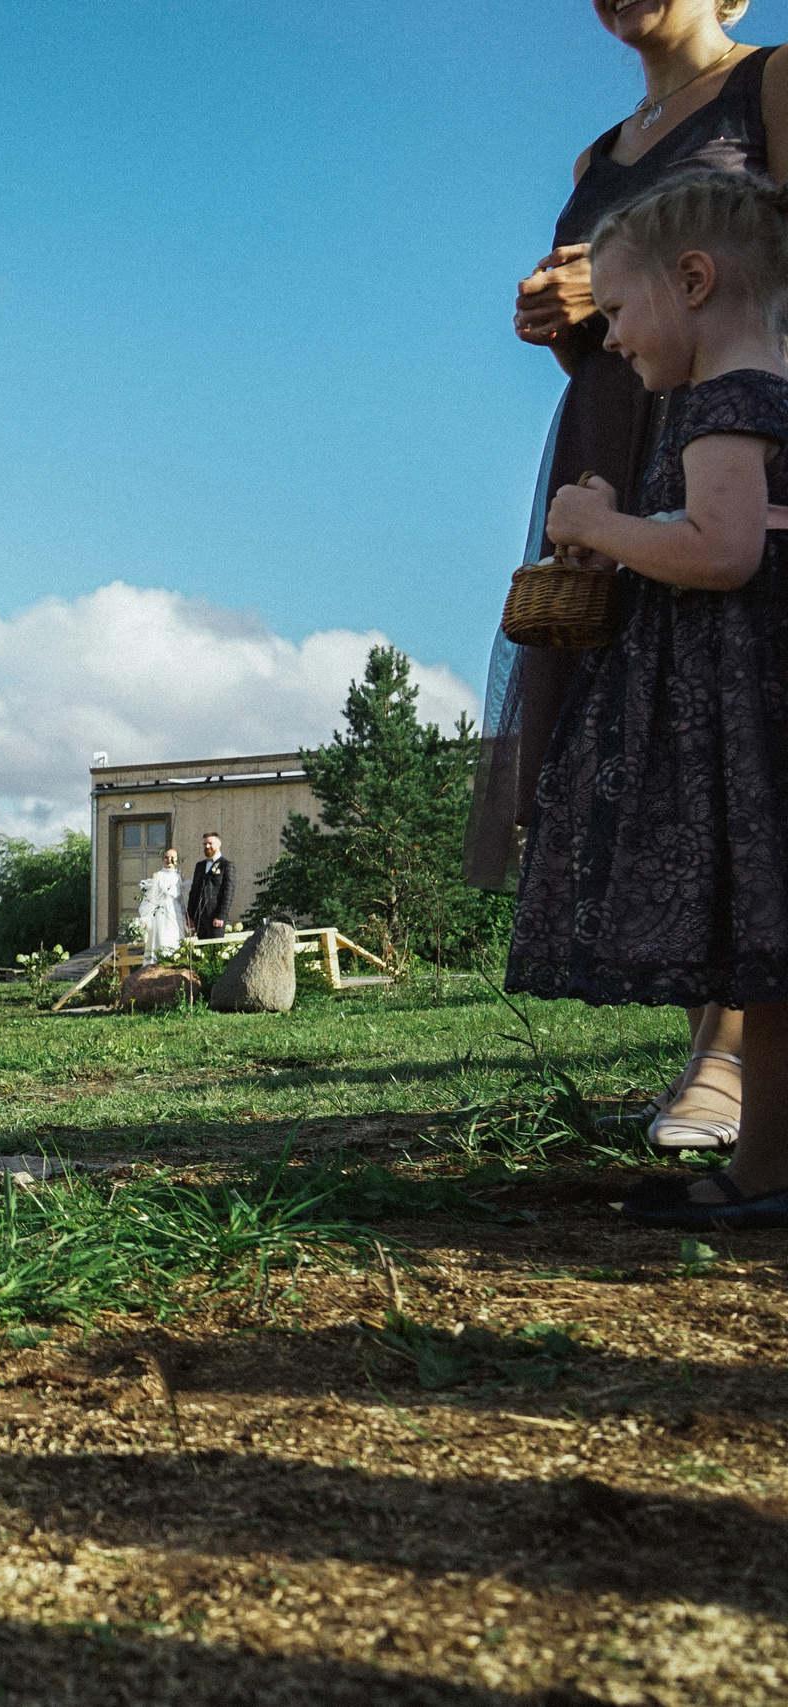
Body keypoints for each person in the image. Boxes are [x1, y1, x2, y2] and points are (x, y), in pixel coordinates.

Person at [474, 0, 784, 1144]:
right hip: (617, 422)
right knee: (650, 720)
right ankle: (708, 1043)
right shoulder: (597, 152)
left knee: (735, 720)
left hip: (729, 424)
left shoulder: (773, 81)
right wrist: (571, 319)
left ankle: (735, 1054)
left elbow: (766, 263)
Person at [514, 169, 788, 1229]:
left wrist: (595, 528)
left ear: (694, 279)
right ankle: (764, 1163)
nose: (614, 340)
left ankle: (764, 1174)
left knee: (764, 952)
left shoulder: (725, 401)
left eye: (622, 311)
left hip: (742, 698)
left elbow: (718, 555)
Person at [137, 847, 185, 962]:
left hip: (175, 912)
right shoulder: (157, 875)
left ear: (177, 860)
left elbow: (182, 899)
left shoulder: (179, 877)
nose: (169, 860)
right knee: (161, 940)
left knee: (175, 940)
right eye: (166, 857)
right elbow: (151, 898)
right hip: (160, 913)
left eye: (172, 858)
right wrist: (145, 917)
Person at [184, 833, 234, 939]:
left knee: (215, 951)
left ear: (219, 844)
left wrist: (221, 916)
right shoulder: (199, 866)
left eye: (210, 843)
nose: (207, 847)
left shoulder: (226, 865)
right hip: (200, 919)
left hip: (216, 918)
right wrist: (190, 916)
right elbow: (194, 892)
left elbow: (228, 893)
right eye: (204, 844)